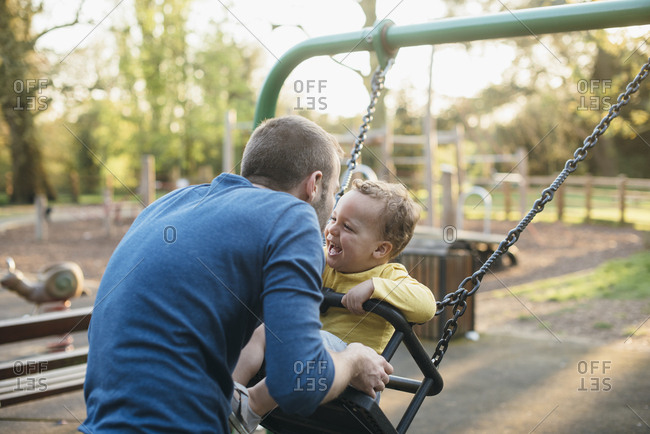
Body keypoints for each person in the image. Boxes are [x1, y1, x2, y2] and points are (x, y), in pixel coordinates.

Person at [81, 115, 393, 434]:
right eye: (333, 193)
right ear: (313, 185)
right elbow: (299, 382)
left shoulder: (165, 207)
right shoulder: (292, 218)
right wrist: (354, 358)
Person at [230, 179, 436, 433]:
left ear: (381, 249)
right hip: (308, 369)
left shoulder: (389, 276)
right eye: (333, 219)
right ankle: (228, 394)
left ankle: (251, 406)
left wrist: (375, 287)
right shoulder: (324, 263)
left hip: (352, 377)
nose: (332, 230)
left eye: (347, 227)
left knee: (304, 343)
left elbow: (426, 305)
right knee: (262, 330)